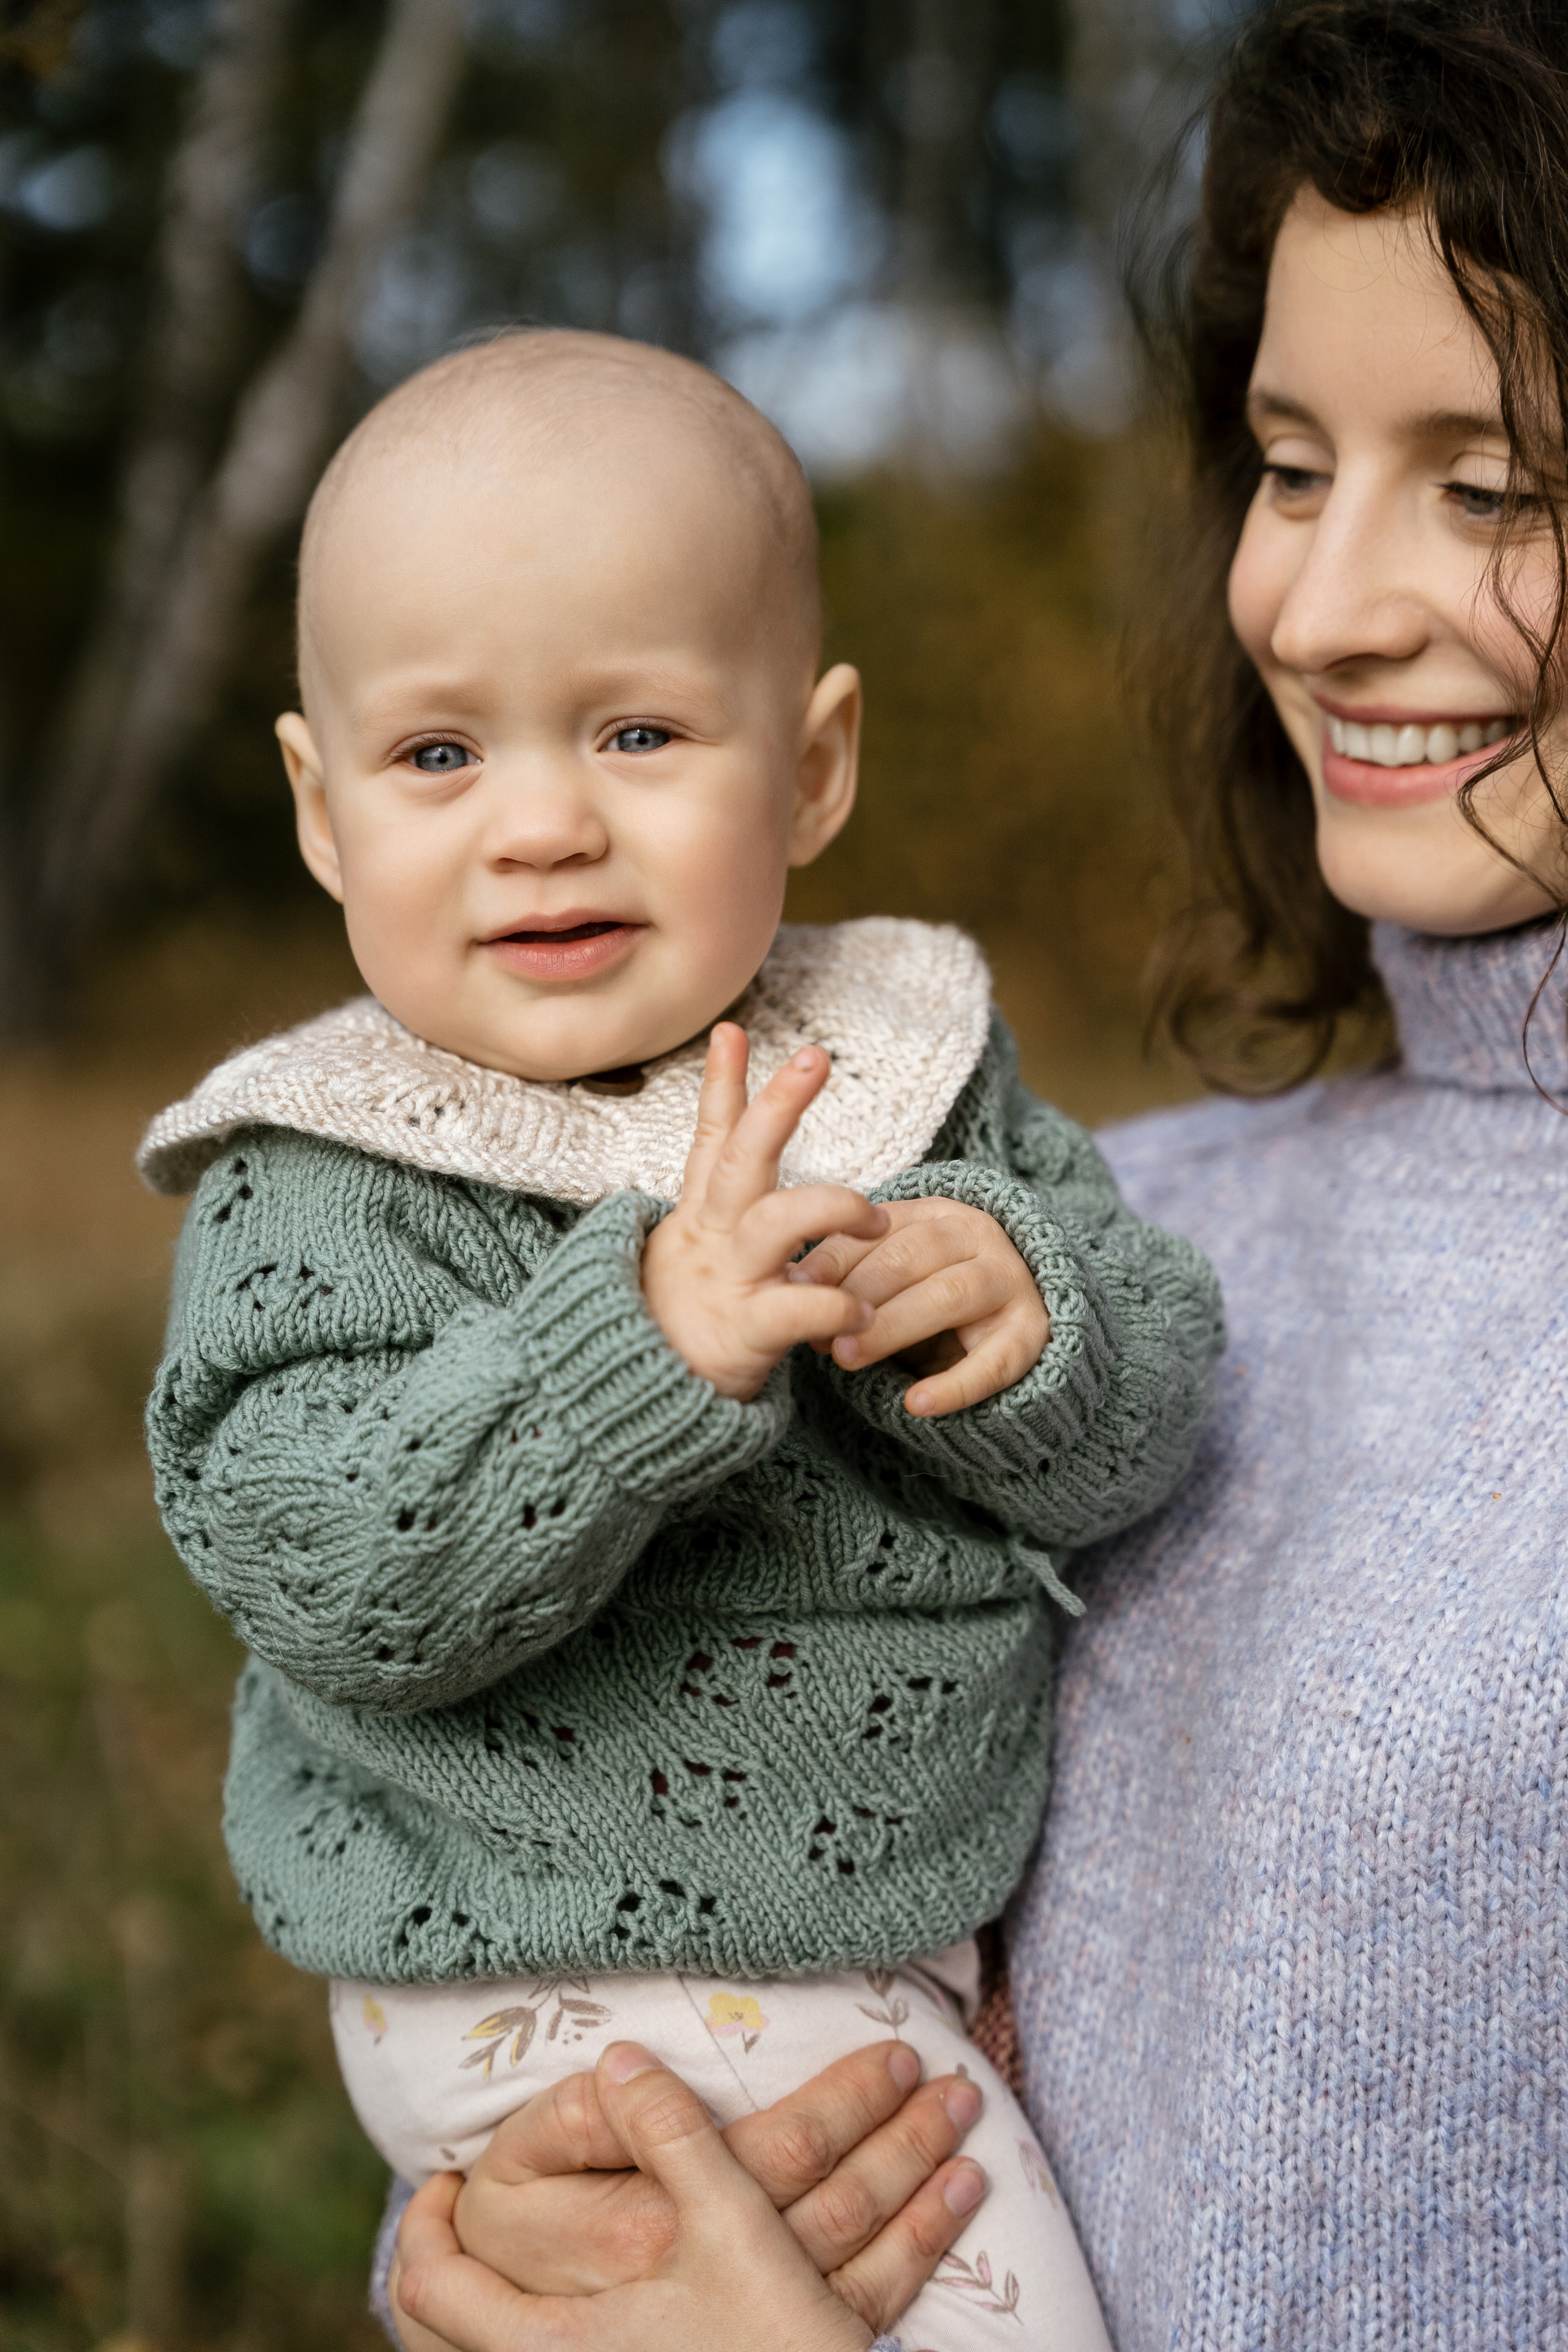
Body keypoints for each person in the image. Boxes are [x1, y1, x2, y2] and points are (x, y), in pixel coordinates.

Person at [375, 1, 1568, 2344]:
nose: (1323, 607)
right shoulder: (1092, 1229)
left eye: (1501, 483)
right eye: (1293, 463)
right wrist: (482, 2263)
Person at [137, 331, 1224, 2351]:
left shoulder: (903, 1077)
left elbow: (1160, 1393)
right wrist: (639, 1350)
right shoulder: (330, 1177)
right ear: (319, 803)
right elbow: (322, 1566)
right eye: (440, 755)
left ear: (811, 766)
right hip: (560, 1974)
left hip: (876, 1936)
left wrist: (1026, 1308)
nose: (540, 824)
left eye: (637, 734)